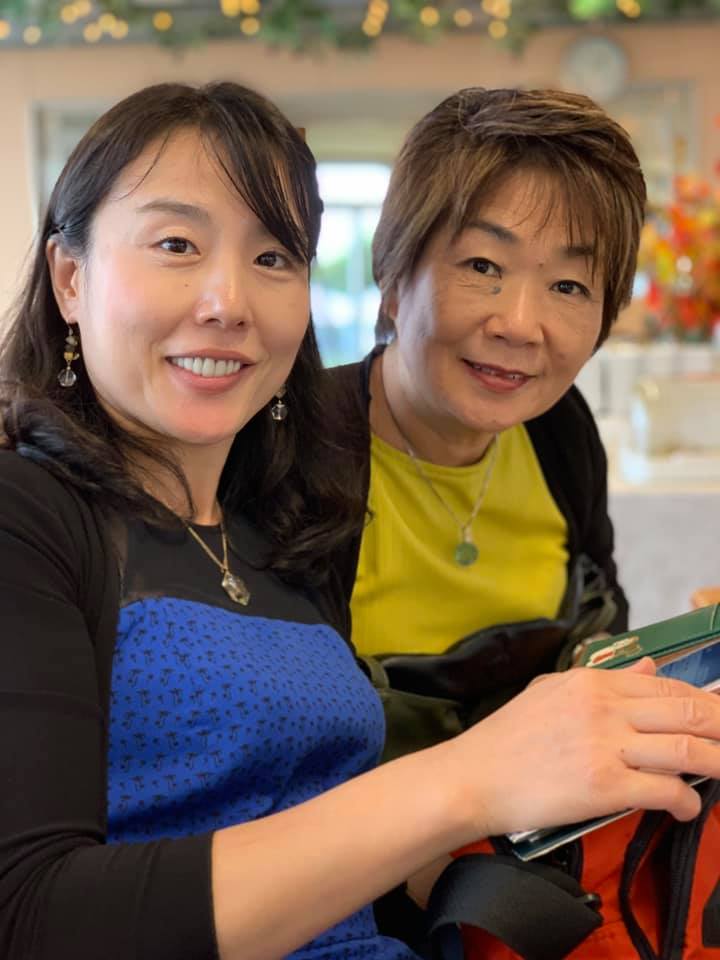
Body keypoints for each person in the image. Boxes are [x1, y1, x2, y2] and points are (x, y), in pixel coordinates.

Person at [2, 81, 720, 960]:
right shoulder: (67, 511)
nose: (520, 323)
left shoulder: (259, 513)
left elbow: (313, 800)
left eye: (274, 257)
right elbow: (36, 910)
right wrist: (468, 783)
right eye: (176, 244)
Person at [329, 88, 645, 734]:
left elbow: (604, 628)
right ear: (393, 276)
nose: (521, 325)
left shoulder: (560, 430)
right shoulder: (295, 445)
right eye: (483, 265)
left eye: (568, 286)